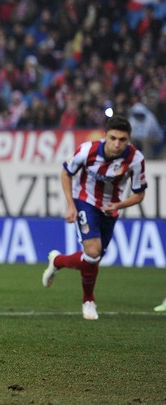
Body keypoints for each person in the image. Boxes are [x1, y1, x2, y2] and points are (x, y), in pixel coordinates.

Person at [42, 116, 148, 320]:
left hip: (110, 209)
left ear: (129, 140)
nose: (117, 144)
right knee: (92, 252)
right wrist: (71, 205)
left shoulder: (135, 160)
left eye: (123, 140)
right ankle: (88, 301)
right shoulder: (86, 150)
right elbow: (66, 173)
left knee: (94, 259)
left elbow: (139, 194)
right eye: (113, 138)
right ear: (105, 136)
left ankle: (58, 261)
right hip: (85, 202)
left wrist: (119, 205)